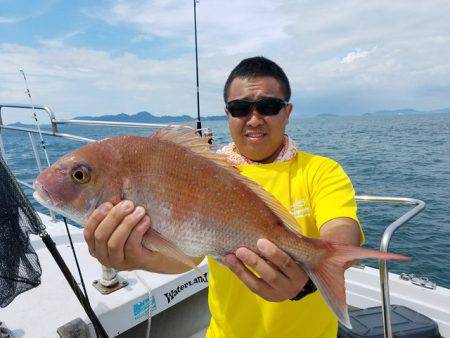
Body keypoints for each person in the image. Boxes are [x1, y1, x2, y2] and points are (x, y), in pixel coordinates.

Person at [83, 56, 364, 337]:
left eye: (268, 107)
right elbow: (187, 258)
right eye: (240, 109)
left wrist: (308, 281)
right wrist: (137, 257)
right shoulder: (200, 171)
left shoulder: (321, 170)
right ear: (227, 114)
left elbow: (342, 227)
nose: (254, 120)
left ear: (287, 112)